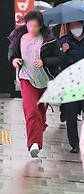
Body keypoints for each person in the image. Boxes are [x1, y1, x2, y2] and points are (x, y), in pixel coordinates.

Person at [8, 11, 63, 158]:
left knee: (40, 116)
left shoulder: (49, 40)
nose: (31, 28)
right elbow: (12, 52)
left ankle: (40, 126)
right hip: (27, 79)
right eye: (29, 25)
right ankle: (34, 144)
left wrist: (44, 62)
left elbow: (58, 58)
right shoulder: (19, 37)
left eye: (35, 26)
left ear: (40, 26)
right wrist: (14, 60)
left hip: (44, 81)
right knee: (31, 111)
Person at [59, 21, 84, 153]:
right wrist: (63, 53)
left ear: (82, 26)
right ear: (69, 27)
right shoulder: (64, 42)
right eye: (72, 26)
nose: (76, 28)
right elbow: (58, 64)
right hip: (70, 85)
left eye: (78, 25)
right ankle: (75, 144)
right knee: (71, 116)